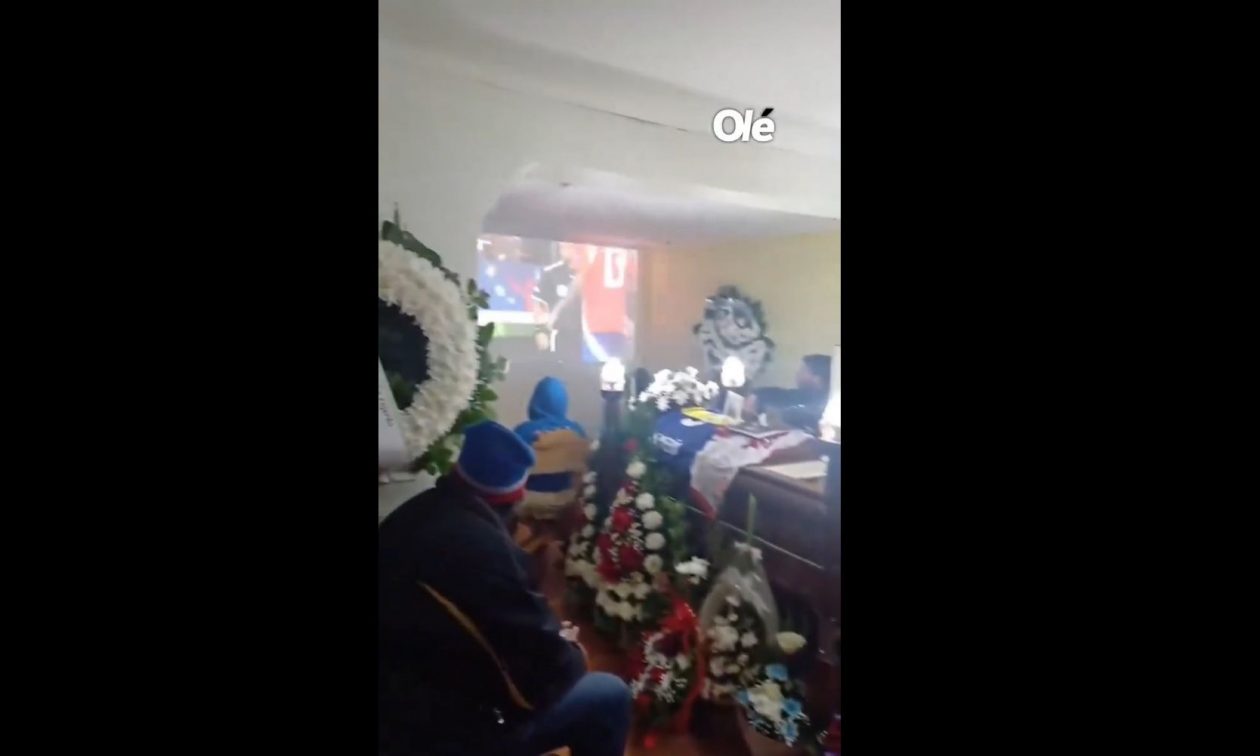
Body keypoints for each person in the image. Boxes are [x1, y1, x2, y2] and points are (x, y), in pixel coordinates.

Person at [379, 421, 631, 756]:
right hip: (437, 732)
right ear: (515, 499)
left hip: (396, 701)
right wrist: (570, 650)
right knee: (609, 693)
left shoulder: (410, 513)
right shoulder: (487, 553)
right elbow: (542, 676)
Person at [514, 377, 588, 514]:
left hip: (529, 501)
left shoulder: (523, 431)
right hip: (568, 501)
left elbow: (512, 471)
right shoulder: (577, 431)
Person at [745, 354, 832, 431]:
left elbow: (797, 418)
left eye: (803, 371)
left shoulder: (826, 408)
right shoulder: (803, 394)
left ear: (817, 379)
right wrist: (755, 395)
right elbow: (778, 394)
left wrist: (777, 418)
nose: (797, 373)